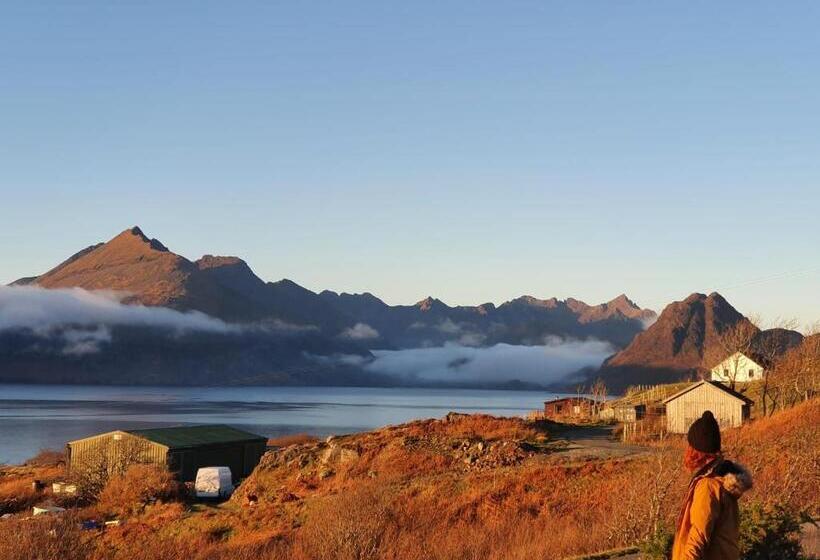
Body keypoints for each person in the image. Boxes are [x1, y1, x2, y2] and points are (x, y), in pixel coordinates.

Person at [672, 410, 753, 560]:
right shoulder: (722, 477)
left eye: (690, 446)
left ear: (697, 451)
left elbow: (698, 535)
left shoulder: (708, 485)